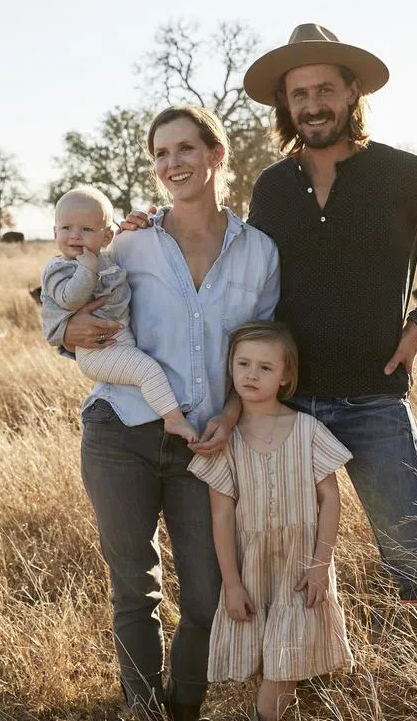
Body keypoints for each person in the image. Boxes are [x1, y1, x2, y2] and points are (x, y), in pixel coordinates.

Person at [242, 23, 417, 692]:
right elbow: (247, 281)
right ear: (286, 106)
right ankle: (311, 685)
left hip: (373, 398)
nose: (313, 102)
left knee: (413, 551)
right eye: (300, 93)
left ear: (352, 92)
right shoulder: (271, 187)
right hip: (290, 407)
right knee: (291, 558)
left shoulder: (403, 173)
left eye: (326, 87)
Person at [44, 105, 280, 721]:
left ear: (216, 155)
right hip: (119, 432)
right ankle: (145, 710)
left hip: (204, 440)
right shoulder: (129, 242)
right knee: (134, 588)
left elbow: (261, 350)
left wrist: (231, 414)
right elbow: (70, 302)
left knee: (204, 594)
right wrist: (68, 328)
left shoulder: (258, 253)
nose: (172, 163)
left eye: (184, 149)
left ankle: (184, 704)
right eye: (160, 153)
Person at [188, 322, 353, 721]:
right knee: (271, 662)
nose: (251, 374)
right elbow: (222, 513)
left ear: (286, 376)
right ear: (230, 368)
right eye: (242, 363)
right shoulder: (225, 439)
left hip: (301, 567)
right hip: (253, 566)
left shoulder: (307, 429)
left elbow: (331, 498)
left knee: (287, 658)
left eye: (265, 367)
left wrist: (320, 566)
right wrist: (231, 583)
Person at [40, 185, 198, 444]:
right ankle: (173, 419)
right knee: (147, 371)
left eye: (87, 229)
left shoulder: (102, 258)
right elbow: (70, 298)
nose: (75, 236)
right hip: (98, 352)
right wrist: (87, 271)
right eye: (66, 228)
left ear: (106, 237)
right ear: (55, 232)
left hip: (117, 339)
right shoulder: (59, 268)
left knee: (145, 367)